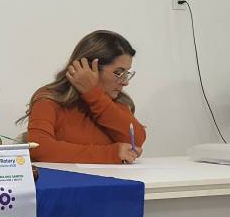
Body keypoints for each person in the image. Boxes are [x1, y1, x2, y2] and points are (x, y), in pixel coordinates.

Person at [20, 30, 146, 164]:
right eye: (119, 73)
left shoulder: (114, 101)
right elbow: (38, 148)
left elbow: (136, 141)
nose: (125, 82)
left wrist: (94, 95)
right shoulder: (50, 98)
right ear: (88, 68)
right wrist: (110, 154)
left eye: (127, 73)